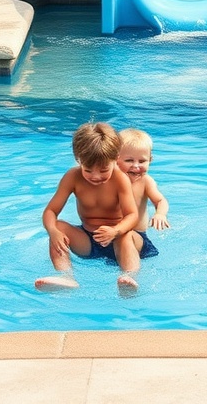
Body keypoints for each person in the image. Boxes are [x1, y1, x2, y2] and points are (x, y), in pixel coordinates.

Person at [34, 121, 140, 295]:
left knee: (125, 234)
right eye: (88, 170)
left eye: (103, 170)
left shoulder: (120, 179)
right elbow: (50, 211)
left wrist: (115, 231)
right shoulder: (72, 177)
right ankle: (66, 277)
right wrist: (53, 231)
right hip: (89, 241)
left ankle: (129, 279)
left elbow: (132, 215)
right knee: (58, 227)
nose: (96, 176)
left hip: (119, 241)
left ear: (115, 159)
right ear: (79, 160)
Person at [117, 128, 170, 260]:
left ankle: (129, 276)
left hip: (137, 236)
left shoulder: (145, 181)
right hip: (112, 235)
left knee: (127, 236)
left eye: (142, 161)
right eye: (129, 160)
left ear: (150, 160)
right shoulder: (110, 179)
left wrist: (160, 214)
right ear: (115, 159)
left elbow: (160, 201)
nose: (136, 166)